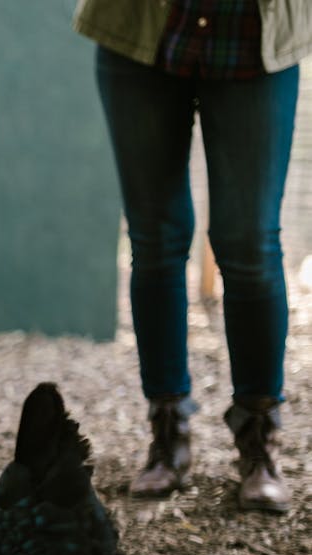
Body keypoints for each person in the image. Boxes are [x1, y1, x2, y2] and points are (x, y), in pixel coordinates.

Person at [73, 0, 311, 512]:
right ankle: (167, 434)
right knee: (155, 238)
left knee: (250, 242)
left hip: (256, 36)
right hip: (140, 33)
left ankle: (258, 445)